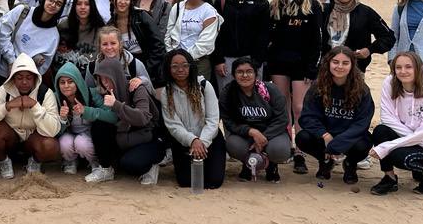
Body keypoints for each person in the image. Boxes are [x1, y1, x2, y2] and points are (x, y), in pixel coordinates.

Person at [265, 0, 327, 174]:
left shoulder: (313, 5)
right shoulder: (275, 5)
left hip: (303, 65)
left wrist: (313, 68)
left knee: (299, 107)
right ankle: (286, 146)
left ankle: (300, 151)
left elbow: (318, 40)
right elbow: (270, 39)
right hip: (279, 64)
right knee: (282, 106)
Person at [369, 52, 423, 196]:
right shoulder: (390, 83)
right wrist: (410, 138)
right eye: (398, 67)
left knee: (397, 156)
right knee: (380, 130)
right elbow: (387, 118)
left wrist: (387, 146)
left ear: (419, 68)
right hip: (421, 142)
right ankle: (389, 178)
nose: (403, 71)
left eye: (408, 67)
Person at [296, 46, 374, 184]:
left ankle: (350, 164)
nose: (340, 66)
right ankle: (325, 160)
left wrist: (340, 142)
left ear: (352, 65)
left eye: (345, 63)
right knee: (302, 138)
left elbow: (362, 122)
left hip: (349, 136)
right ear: (328, 63)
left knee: (364, 143)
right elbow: (307, 117)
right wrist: (325, 135)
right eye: (335, 62)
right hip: (326, 135)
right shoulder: (318, 86)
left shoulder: (361, 89)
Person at [85, 57, 162, 185]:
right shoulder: (105, 93)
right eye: (102, 79)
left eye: (108, 77)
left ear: (116, 74)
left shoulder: (136, 89)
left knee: (131, 164)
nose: (105, 82)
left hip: (146, 138)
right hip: (124, 138)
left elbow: (143, 118)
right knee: (100, 125)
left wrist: (117, 105)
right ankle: (106, 169)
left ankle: (151, 166)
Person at [0, 53, 61, 177]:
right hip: (11, 138)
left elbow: (53, 129)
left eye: (29, 77)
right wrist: (7, 106)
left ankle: (35, 162)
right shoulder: (4, 90)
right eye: (19, 78)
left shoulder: (45, 93)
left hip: (33, 140)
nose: (24, 82)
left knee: (50, 145)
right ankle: (4, 161)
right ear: (13, 78)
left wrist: (35, 106)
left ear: (35, 78)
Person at [160, 49, 227, 189]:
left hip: (209, 139)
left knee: (214, 181)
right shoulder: (167, 92)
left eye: (185, 65)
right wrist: (192, 140)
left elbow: (213, 120)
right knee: (186, 182)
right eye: (175, 66)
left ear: (191, 66)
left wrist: (201, 142)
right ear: (168, 68)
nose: (180, 69)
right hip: (184, 142)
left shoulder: (204, 86)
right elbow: (173, 125)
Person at [220, 57, 289, 182]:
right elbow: (228, 121)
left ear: (256, 74)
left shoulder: (270, 90)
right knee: (232, 144)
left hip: (271, 133)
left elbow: (282, 119)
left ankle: (271, 165)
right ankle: (247, 164)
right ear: (234, 75)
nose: (245, 75)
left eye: (249, 71)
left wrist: (263, 136)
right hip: (245, 134)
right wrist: (251, 131)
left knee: (280, 150)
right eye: (240, 72)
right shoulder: (228, 93)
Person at [211, 0, 271, 92]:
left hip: (251, 60)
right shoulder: (222, 0)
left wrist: (256, 62)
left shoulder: (261, 2)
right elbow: (215, 33)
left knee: (252, 98)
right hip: (226, 60)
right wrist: (218, 60)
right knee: (227, 98)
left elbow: (264, 34)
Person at [54, 61, 116, 175]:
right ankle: (70, 161)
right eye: (62, 82)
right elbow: (54, 132)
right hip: (68, 134)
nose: (66, 86)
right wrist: (62, 118)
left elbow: (112, 117)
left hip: (89, 134)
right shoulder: (55, 98)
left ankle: (94, 162)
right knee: (64, 143)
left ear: (77, 82)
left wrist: (86, 111)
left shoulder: (91, 93)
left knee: (81, 143)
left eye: (70, 81)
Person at [325, 0, 395, 71]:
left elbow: (388, 37)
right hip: (327, 69)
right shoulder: (325, 11)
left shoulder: (366, 12)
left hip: (355, 70)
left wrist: (369, 50)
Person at [165, 0, 221, 80]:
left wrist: (184, 58)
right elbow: (169, 34)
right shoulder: (177, 8)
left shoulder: (209, 11)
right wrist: (172, 54)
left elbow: (206, 43)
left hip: (199, 63)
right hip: (176, 62)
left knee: (198, 94)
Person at [108, 0, 165, 88]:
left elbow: (158, 46)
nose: (122, 2)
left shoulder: (141, 16)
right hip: (125, 70)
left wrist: (146, 70)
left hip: (149, 68)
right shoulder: (110, 25)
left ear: (131, 1)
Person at [0, 0, 65, 78]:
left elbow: (43, 66)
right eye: (51, 0)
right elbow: (2, 33)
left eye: (58, 4)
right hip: (3, 71)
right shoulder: (23, 11)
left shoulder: (54, 35)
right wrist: (11, 61)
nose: (53, 5)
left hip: (24, 80)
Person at [56, 0, 105, 75]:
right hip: (66, 77)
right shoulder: (63, 25)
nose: (83, 7)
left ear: (92, 6)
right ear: (74, 6)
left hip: (91, 76)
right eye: (79, 4)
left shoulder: (101, 30)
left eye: (87, 4)